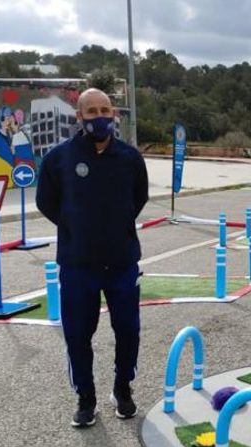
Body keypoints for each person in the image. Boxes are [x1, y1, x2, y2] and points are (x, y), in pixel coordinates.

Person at [37, 88, 149, 427]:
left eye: (105, 110)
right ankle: (86, 399)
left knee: (128, 331)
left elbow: (138, 199)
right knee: (77, 335)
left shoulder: (130, 158)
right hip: (77, 265)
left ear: (114, 114)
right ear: (79, 117)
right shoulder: (59, 159)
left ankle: (122, 389)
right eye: (92, 111)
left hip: (121, 263)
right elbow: (47, 202)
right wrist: (75, 226)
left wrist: (114, 226)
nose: (99, 117)